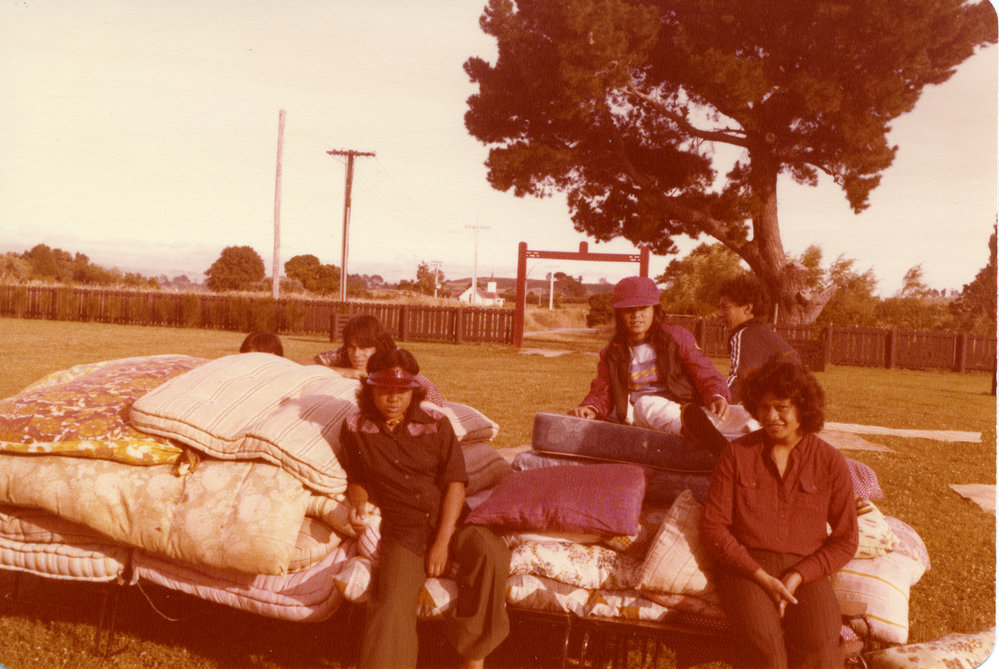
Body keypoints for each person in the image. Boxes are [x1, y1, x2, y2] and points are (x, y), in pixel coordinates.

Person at [339, 348, 510, 669]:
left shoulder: (436, 424)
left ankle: (473, 657)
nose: (393, 398)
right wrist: (358, 502)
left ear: (413, 390)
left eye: (401, 390)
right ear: (370, 389)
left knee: (491, 552)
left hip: (454, 521)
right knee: (391, 602)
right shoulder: (355, 428)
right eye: (384, 389)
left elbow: (455, 483)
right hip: (404, 531)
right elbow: (357, 477)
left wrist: (442, 544)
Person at [699, 357, 858, 669]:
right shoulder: (737, 455)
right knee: (767, 653)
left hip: (806, 570)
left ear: (803, 408)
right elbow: (713, 527)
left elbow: (846, 540)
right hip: (746, 569)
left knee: (821, 646)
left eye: (781, 407)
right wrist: (760, 576)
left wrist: (798, 575)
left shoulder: (830, 461)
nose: (770, 417)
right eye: (763, 407)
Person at [568, 276, 731, 439]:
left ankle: (710, 434)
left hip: (685, 409)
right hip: (643, 414)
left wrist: (716, 395)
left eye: (643, 308)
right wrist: (591, 407)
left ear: (655, 310)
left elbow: (704, 372)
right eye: (629, 310)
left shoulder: (677, 338)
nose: (636, 315)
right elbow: (603, 390)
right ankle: (694, 430)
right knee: (646, 403)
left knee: (738, 415)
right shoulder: (612, 353)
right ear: (619, 314)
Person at [313, 314, 445, 405]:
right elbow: (304, 364)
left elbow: (429, 393)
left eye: (364, 347)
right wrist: (346, 372)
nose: (356, 354)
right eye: (352, 346)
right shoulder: (344, 352)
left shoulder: (394, 360)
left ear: (377, 346)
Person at [718, 273, 798, 404]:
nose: (719, 314)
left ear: (747, 308)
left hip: (779, 405)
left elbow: (738, 381)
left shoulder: (743, 335)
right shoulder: (763, 332)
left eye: (725, 307)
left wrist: (715, 397)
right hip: (794, 404)